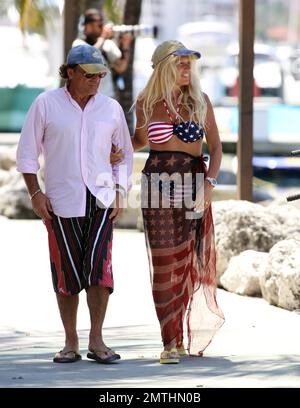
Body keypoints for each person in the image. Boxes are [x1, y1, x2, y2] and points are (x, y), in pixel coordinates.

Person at [16, 44, 133, 364]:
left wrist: (121, 190)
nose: (96, 80)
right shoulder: (45, 104)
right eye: (89, 74)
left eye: (101, 74)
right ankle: (71, 342)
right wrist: (35, 194)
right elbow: (26, 154)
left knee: (100, 270)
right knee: (66, 273)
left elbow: (124, 154)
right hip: (60, 201)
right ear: (70, 72)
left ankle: (97, 340)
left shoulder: (110, 109)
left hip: (102, 199)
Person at [131, 40, 225, 364]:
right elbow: (138, 141)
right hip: (157, 184)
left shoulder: (201, 101)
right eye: (180, 62)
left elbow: (216, 148)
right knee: (163, 264)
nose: (187, 68)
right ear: (163, 67)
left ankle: (179, 338)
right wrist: (112, 148)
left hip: (192, 183)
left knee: (185, 262)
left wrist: (209, 185)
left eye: (189, 62)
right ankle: (168, 340)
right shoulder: (145, 102)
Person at [73, 8, 132, 98]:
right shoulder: (78, 44)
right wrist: (103, 37)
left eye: (102, 22)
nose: (101, 25)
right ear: (87, 25)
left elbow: (121, 67)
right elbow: (89, 57)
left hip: (107, 98)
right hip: (85, 99)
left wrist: (125, 46)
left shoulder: (108, 44)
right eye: (98, 22)